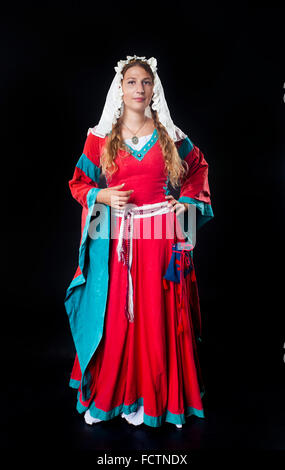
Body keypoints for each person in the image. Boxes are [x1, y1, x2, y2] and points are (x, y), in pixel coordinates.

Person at [64, 55, 214, 429]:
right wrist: (101, 197)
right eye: (131, 82)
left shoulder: (170, 135)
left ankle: (156, 400)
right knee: (120, 319)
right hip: (118, 245)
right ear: (120, 88)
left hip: (161, 240)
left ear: (154, 89)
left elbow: (198, 170)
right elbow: (79, 184)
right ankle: (117, 396)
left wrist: (187, 203)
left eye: (145, 82)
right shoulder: (101, 138)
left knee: (157, 317)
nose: (139, 89)